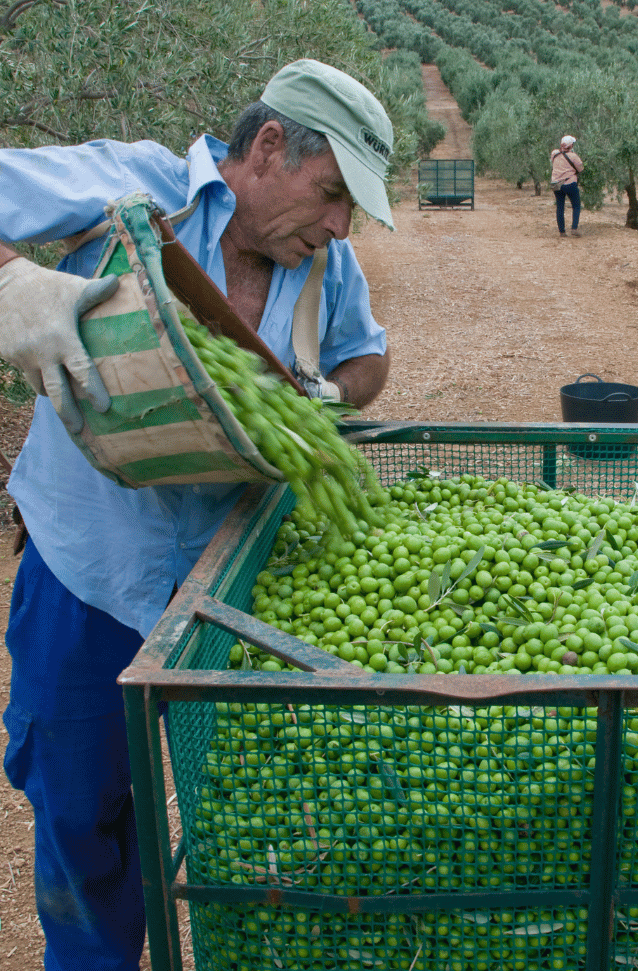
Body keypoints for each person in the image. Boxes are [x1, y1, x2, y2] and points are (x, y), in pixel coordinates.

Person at [0, 58, 394, 971]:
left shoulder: (324, 269)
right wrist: (13, 286)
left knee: (242, 814)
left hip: (227, 585)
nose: (339, 225)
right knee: (80, 811)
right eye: (331, 193)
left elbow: (368, 360)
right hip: (89, 574)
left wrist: (325, 392)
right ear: (265, 149)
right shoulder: (133, 190)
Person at [550, 134, 584, 237]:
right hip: (569, 183)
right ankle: (574, 228)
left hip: (556, 184)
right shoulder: (574, 156)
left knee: (560, 207)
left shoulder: (554, 153)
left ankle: (562, 232)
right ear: (571, 146)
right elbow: (581, 169)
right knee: (576, 206)